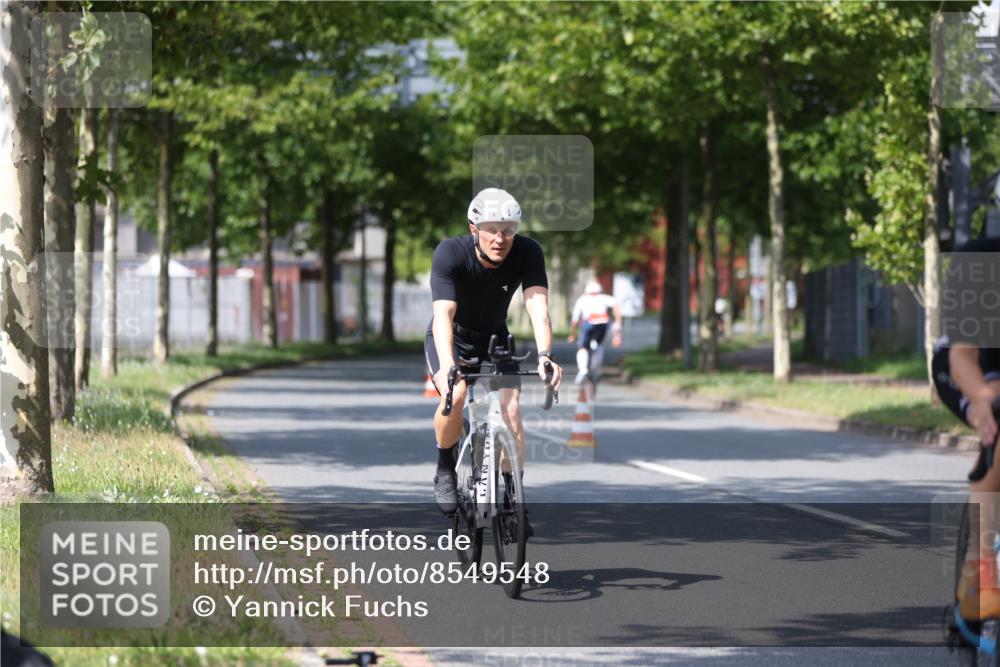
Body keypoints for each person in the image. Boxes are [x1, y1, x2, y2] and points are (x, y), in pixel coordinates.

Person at [425, 188, 564, 520]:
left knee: (511, 408)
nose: (500, 238)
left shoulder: (528, 252)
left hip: (495, 338)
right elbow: (443, 314)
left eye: (508, 230)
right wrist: (448, 366)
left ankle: (513, 500)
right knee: (455, 395)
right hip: (452, 338)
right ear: (474, 229)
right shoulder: (450, 253)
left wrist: (546, 355)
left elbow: (537, 306)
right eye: (491, 230)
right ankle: (445, 468)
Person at [933, 237, 1000, 620]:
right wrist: (980, 399)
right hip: (966, 365)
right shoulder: (982, 261)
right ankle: (981, 570)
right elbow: (963, 356)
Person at [567, 280, 622, 385]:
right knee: (599, 345)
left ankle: (583, 370)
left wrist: (572, 334)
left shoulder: (582, 300)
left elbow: (575, 319)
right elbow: (616, 304)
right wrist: (617, 321)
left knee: (583, 347)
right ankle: (596, 370)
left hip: (589, 323)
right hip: (603, 323)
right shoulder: (603, 298)